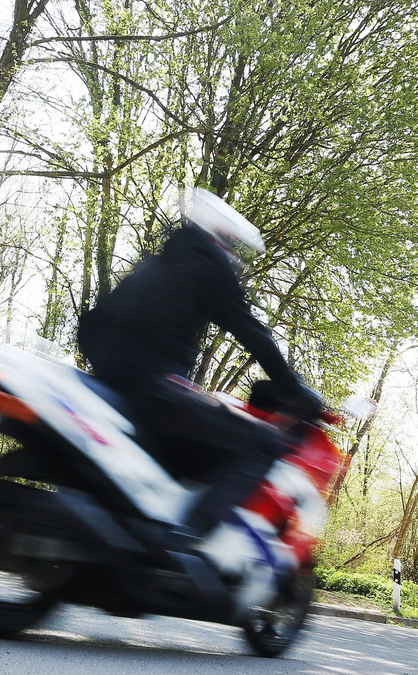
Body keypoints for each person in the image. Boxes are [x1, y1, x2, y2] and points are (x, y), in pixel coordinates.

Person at [77, 187, 318, 545]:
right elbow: (252, 333)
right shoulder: (207, 265)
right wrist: (293, 387)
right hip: (155, 390)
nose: (234, 254)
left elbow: (92, 326)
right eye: (233, 244)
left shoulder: (159, 263)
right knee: (264, 442)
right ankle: (185, 541)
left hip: (116, 387)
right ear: (220, 236)